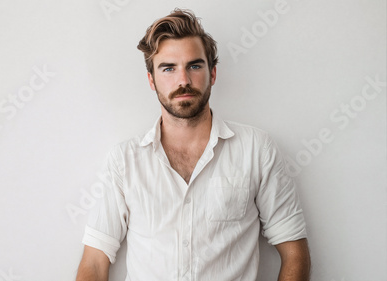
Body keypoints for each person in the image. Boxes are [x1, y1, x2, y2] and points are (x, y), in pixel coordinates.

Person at [76, 8, 311, 281]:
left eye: (194, 65)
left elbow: (295, 251)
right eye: (168, 68)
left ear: (212, 74)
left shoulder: (256, 149)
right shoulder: (125, 160)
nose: (183, 80)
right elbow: (94, 262)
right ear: (151, 80)